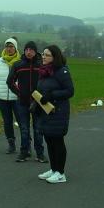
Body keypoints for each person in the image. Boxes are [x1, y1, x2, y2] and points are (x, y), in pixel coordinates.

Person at [35, 45, 74, 184]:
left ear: (55, 57)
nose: (43, 57)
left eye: (47, 55)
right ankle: (53, 169)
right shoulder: (44, 72)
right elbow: (41, 90)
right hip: (46, 112)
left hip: (58, 112)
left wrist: (52, 95)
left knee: (57, 141)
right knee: (49, 141)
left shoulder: (61, 71)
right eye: (43, 54)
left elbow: (70, 91)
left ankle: (60, 173)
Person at [6, 41, 47, 163]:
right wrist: (19, 93)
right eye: (27, 49)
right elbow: (10, 81)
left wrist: (42, 95)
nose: (29, 52)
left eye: (31, 50)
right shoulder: (18, 65)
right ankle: (24, 152)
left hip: (38, 103)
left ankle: (40, 154)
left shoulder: (41, 66)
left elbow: (47, 82)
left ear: (35, 51)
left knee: (38, 129)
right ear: (24, 51)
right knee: (24, 128)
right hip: (22, 102)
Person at [0, 38, 22, 154]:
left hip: (17, 97)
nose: (9, 49)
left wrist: (21, 90)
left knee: (21, 120)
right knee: (7, 121)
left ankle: (25, 144)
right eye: (7, 46)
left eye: (11, 46)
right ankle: (11, 143)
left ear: (15, 48)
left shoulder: (20, 61)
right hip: (1, 97)